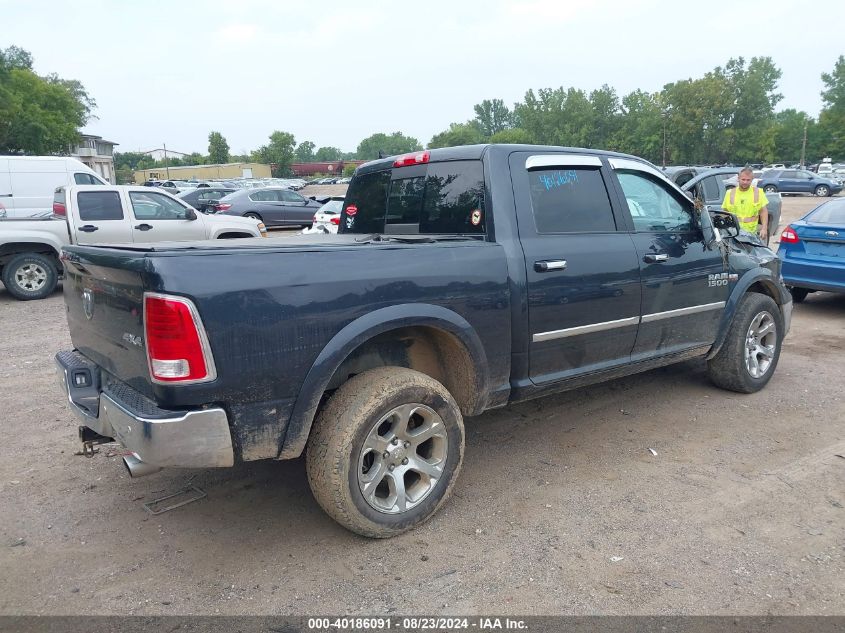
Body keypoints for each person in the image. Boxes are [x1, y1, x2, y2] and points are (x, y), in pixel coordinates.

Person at [721, 167, 769, 242]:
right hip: (734, 233)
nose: (745, 182)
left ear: (752, 180)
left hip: (752, 234)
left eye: (748, 180)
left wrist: (764, 228)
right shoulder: (730, 193)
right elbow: (724, 213)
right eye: (743, 179)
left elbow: (763, 211)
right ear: (738, 179)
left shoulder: (758, 192)